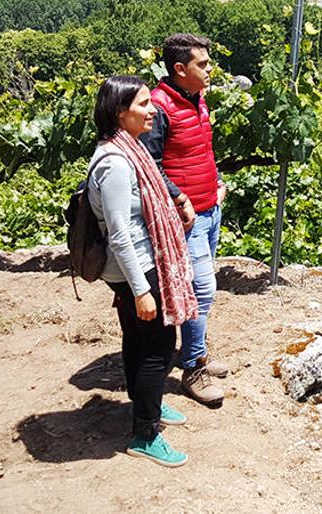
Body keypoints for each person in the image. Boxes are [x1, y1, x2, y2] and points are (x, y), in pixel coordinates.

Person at [89, 75, 198, 467]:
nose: (152, 110)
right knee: (158, 349)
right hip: (135, 269)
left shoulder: (126, 150)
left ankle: (145, 405)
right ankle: (145, 433)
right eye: (142, 105)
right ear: (120, 113)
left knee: (137, 341)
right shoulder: (117, 163)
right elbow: (119, 233)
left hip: (137, 267)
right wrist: (141, 290)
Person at [141, 34, 229, 407]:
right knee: (200, 291)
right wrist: (179, 197)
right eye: (203, 65)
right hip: (187, 218)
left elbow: (199, 150)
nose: (210, 70)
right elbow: (150, 166)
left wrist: (218, 182)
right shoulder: (160, 108)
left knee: (202, 288)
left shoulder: (196, 100)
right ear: (180, 69)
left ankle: (196, 351)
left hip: (210, 209)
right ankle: (193, 368)